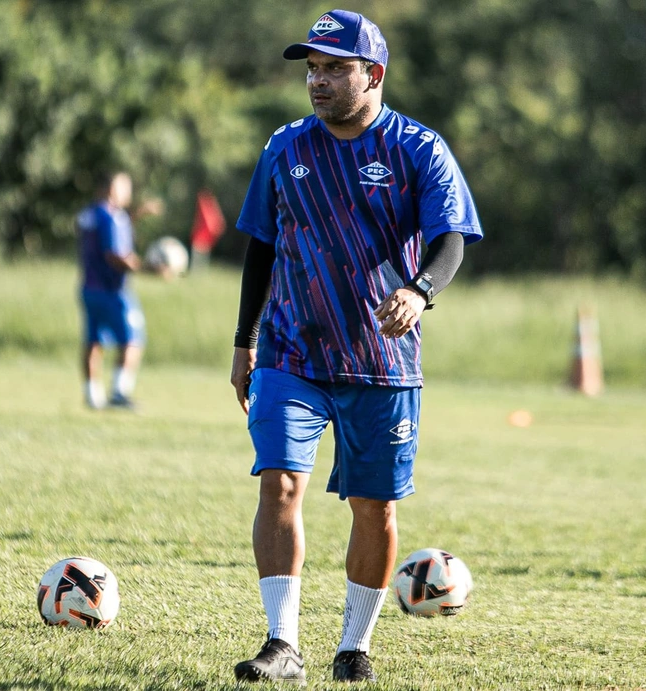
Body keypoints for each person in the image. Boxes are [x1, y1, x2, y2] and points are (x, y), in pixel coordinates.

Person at [228, 9, 482, 684]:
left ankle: (354, 646)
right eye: (312, 69)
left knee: (375, 507)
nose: (318, 81)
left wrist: (420, 290)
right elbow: (260, 245)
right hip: (291, 352)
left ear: (374, 74)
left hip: (381, 362)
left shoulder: (417, 148)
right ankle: (282, 643)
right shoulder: (285, 147)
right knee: (280, 484)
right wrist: (244, 340)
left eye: (334, 69)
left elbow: (452, 236)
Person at [76, 171, 146, 411]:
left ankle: (92, 395)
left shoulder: (89, 214)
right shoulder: (112, 216)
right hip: (112, 290)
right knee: (133, 339)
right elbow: (114, 254)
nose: (128, 192)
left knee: (93, 340)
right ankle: (119, 392)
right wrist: (148, 268)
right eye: (124, 187)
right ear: (109, 188)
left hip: (88, 287)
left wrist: (135, 217)